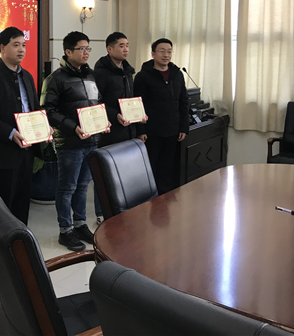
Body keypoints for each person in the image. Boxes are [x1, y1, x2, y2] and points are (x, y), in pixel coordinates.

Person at [41, 31, 109, 251]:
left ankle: (80, 224)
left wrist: (103, 121)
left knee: (82, 187)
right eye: (81, 48)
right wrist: (73, 127)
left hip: (91, 140)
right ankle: (65, 230)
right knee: (67, 187)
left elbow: (97, 103)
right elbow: (48, 111)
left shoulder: (90, 76)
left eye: (88, 48)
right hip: (70, 143)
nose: (86, 52)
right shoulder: (55, 79)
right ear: (68, 52)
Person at [0, 27, 50, 225]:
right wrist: (9, 132)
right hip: (3, 155)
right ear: (2, 48)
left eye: (23, 45)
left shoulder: (27, 76)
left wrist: (44, 126)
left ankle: (20, 243)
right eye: (16, 45)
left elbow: (34, 108)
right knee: (1, 210)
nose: (21, 50)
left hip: (27, 152)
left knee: (22, 205)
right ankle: (2, 246)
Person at [93, 31, 146, 224]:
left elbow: (132, 100)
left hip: (128, 130)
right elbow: (96, 102)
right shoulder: (100, 73)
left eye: (127, 45)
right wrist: (115, 114)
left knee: (125, 172)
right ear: (109, 49)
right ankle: (101, 213)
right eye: (121, 46)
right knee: (105, 174)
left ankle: (123, 211)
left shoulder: (128, 70)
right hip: (110, 131)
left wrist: (139, 123)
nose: (126, 49)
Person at [134, 38, 189, 195]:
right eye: (162, 51)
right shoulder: (143, 76)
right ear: (153, 54)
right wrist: (140, 130)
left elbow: (184, 102)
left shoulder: (177, 75)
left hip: (172, 131)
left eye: (169, 51)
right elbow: (137, 105)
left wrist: (183, 127)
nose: (166, 55)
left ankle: (164, 200)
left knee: (167, 168)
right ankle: (149, 199)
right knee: (150, 167)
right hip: (151, 132)